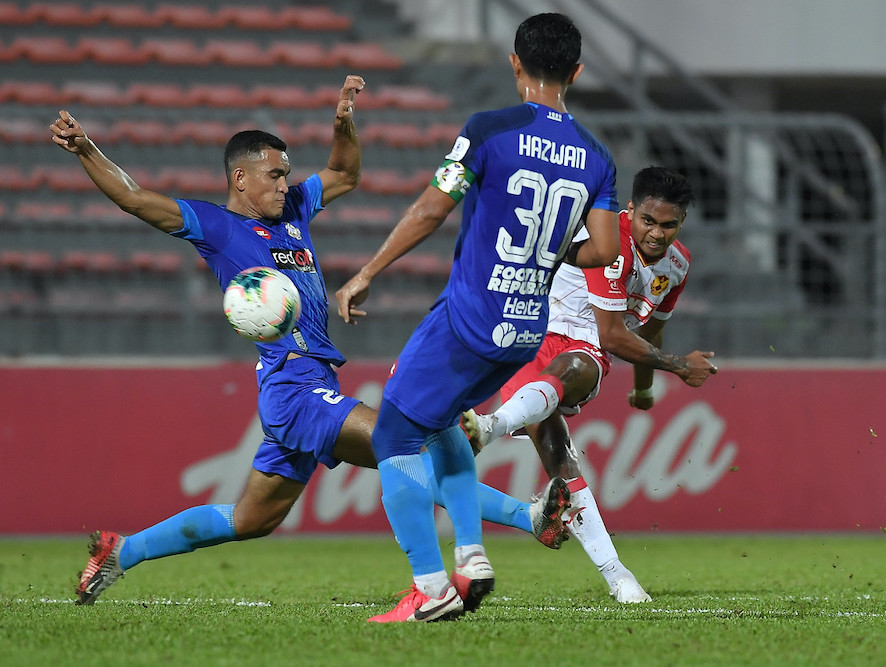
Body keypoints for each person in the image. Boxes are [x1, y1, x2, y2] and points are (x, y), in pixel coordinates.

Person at [51, 76, 571, 607]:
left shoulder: (295, 209)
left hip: (308, 386)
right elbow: (135, 199)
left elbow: (346, 172)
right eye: (274, 176)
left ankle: (123, 551)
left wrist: (343, 124)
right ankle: (527, 518)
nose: (284, 185)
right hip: (293, 388)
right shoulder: (215, 226)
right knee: (401, 440)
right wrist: (87, 149)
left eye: (286, 175)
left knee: (250, 519)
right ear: (240, 177)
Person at [335, 14, 621, 623]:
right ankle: (471, 552)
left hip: (469, 318)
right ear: (575, 72)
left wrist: (368, 272)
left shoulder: (490, 130)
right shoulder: (597, 158)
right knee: (440, 425)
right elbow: (601, 251)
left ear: (515, 63)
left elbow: (432, 208)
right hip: (524, 330)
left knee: (393, 435)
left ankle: (431, 585)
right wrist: (549, 249)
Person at [460, 166, 719, 603]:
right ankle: (620, 577)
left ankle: (491, 428)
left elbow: (648, 333)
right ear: (630, 210)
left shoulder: (677, 266)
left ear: (682, 222)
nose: (656, 233)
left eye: (669, 224)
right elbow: (616, 337)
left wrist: (643, 388)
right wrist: (678, 367)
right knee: (561, 459)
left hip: (583, 347)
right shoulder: (609, 238)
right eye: (648, 221)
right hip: (536, 337)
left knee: (577, 367)